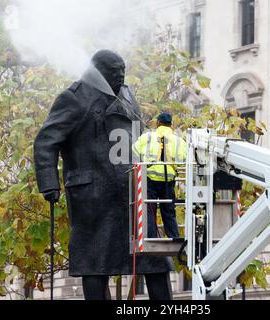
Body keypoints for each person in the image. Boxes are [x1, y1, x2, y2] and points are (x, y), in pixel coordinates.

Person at [34, 50, 174, 300]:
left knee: (155, 259)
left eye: (123, 70)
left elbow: (138, 136)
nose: (120, 76)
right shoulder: (74, 97)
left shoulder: (128, 95)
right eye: (114, 71)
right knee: (95, 264)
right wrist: (49, 184)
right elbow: (46, 140)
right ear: (98, 70)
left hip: (133, 193)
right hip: (93, 196)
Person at [132, 112, 187, 239]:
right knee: (168, 210)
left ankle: (151, 237)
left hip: (150, 178)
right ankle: (174, 236)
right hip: (168, 180)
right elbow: (184, 158)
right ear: (171, 125)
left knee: (150, 210)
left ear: (157, 123)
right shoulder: (179, 140)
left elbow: (134, 150)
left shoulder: (147, 137)